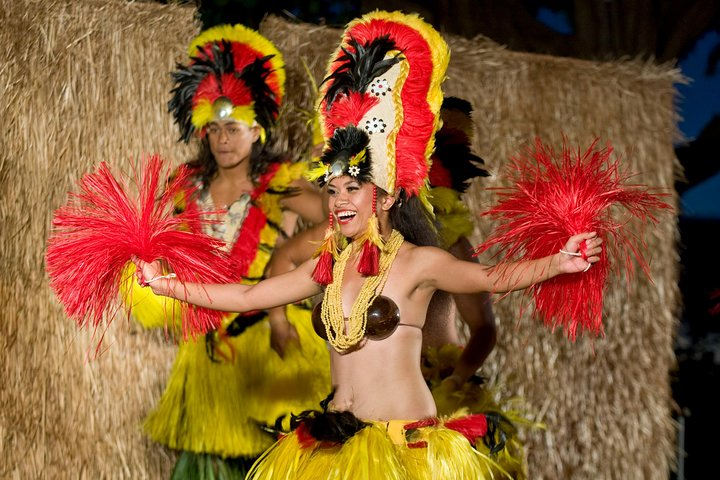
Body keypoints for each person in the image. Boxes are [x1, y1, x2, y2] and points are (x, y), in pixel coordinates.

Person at [135, 11, 602, 479]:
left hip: (403, 451)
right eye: (333, 189)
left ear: (388, 195)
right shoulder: (329, 266)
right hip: (335, 447)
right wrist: (168, 285)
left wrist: (559, 262)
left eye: (352, 189)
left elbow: (492, 278)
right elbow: (248, 296)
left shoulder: (419, 263)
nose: (338, 200)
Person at [125, 24, 331, 478]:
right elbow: (152, 241)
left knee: (278, 458)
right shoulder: (183, 187)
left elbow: (337, 216)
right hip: (208, 349)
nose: (223, 139)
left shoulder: (280, 182)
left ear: (256, 130)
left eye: (233, 128)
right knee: (207, 463)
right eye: (214, 129)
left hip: (269, 344)